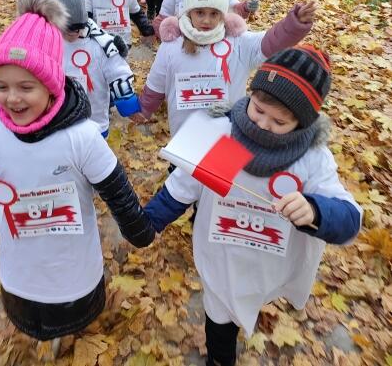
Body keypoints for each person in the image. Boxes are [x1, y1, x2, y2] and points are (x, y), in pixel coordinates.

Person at [0, 0, 155, 346]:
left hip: (71, 263)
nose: (12, 98)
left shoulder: (82, 138)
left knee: (70, 318)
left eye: (26, 87)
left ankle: (69, 336)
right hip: (20, 261)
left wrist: (139, 230)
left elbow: (116, 190)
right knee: (30, 315)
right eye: (3, 87)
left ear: (52, 86)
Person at [144, 45, 362, 366]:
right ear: (251, 94)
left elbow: (350, 219)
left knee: (251, 296)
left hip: (269, 261)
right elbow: (183, 187)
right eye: (258, 109)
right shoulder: (225, 136)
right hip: (222, 255)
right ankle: (220, 359)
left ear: (302, 123)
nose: (261, 124)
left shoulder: (310, 159)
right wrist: (148, 223)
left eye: (279, 121)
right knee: (219, 316)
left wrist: (315, 210)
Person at [134, 0, 317, 136]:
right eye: (200, 12)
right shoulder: (172, 45)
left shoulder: (238, 43)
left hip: (227, 139)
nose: (206, 20)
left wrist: (294, 24)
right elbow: (156, 84)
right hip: (182, 137)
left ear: (223, 13)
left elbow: (271, 43)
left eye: (214, 13)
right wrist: (143, 110)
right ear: (189, 11)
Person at [53, 0, 141, 136]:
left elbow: (118, 71)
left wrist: (127, 102)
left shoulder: (101, 44)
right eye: (67, 29)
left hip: (95, 119)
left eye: (78, 29)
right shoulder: (49, 43)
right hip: (59, 119)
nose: (73, 34)